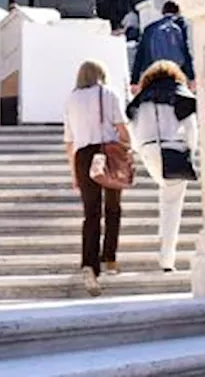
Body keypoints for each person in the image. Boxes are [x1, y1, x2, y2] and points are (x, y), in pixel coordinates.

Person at [62, 59, 129, 297]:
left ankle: (89, 265)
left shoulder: (71, 99)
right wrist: (127, 148)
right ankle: (109, 258)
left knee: (91, 213)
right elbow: (122, 129)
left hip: (82, 156)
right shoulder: (108, 93)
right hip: (106, 153)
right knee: (113, 207)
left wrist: (74, 172)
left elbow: (69, 142)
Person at [125, 59, 199, 273]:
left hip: (149, 151)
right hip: (174, 150)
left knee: (165, 194)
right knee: (171, 206)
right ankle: (166, 259)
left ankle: (164, 251)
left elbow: (133, 129)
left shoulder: (141, 99)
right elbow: (191, 127)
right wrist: (190, 152)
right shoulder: (181, 94)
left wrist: (142, 150)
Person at [130, 0, 195, 91]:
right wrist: (191, 77)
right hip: (176, 73)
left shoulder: (149, 29)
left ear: (162, 12)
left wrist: (134, 80)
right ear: (178, 11)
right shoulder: (180, 24)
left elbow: (139, 56)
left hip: (155, 74)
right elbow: (185, 51)